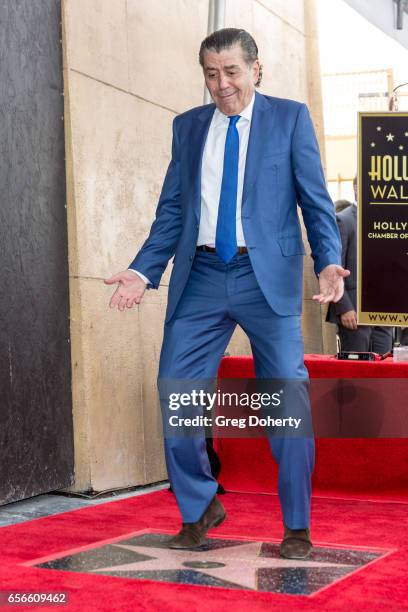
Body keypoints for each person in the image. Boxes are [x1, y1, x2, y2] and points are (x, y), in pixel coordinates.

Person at [105, 28, 348, 559]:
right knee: (177, 391)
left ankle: (297, 526)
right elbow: (172, 212)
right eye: (211, 75)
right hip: (202, 278)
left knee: (285, 396)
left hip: (268, 281)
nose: (222, 85)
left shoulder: (289, 118)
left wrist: (330, 260)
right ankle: (199, 507)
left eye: (232, 72)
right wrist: (142, 271)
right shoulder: (189, 128)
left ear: (256, 69)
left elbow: (315, 199)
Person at [327, 176, 393, 353]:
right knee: (356, 373)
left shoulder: (388, 222)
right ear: (356, 187)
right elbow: (334, 268)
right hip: (353, 314)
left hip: (384, 315)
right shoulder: (343, 220)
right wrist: (344, 308)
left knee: (384, 371)